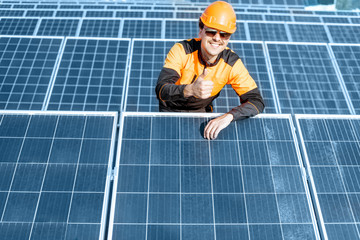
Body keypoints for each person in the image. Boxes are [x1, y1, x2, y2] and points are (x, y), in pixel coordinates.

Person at [155, 1, 265, 140]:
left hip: (200, 113)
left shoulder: (232, 63)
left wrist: (228, 116)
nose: (217, 38)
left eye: (224, 34)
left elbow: (257, 101)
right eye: (211, 31)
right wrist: (190, 90)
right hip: (169, 110)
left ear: (229, 37)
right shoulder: (182, 50)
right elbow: (161, 90)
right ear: (201, 31)